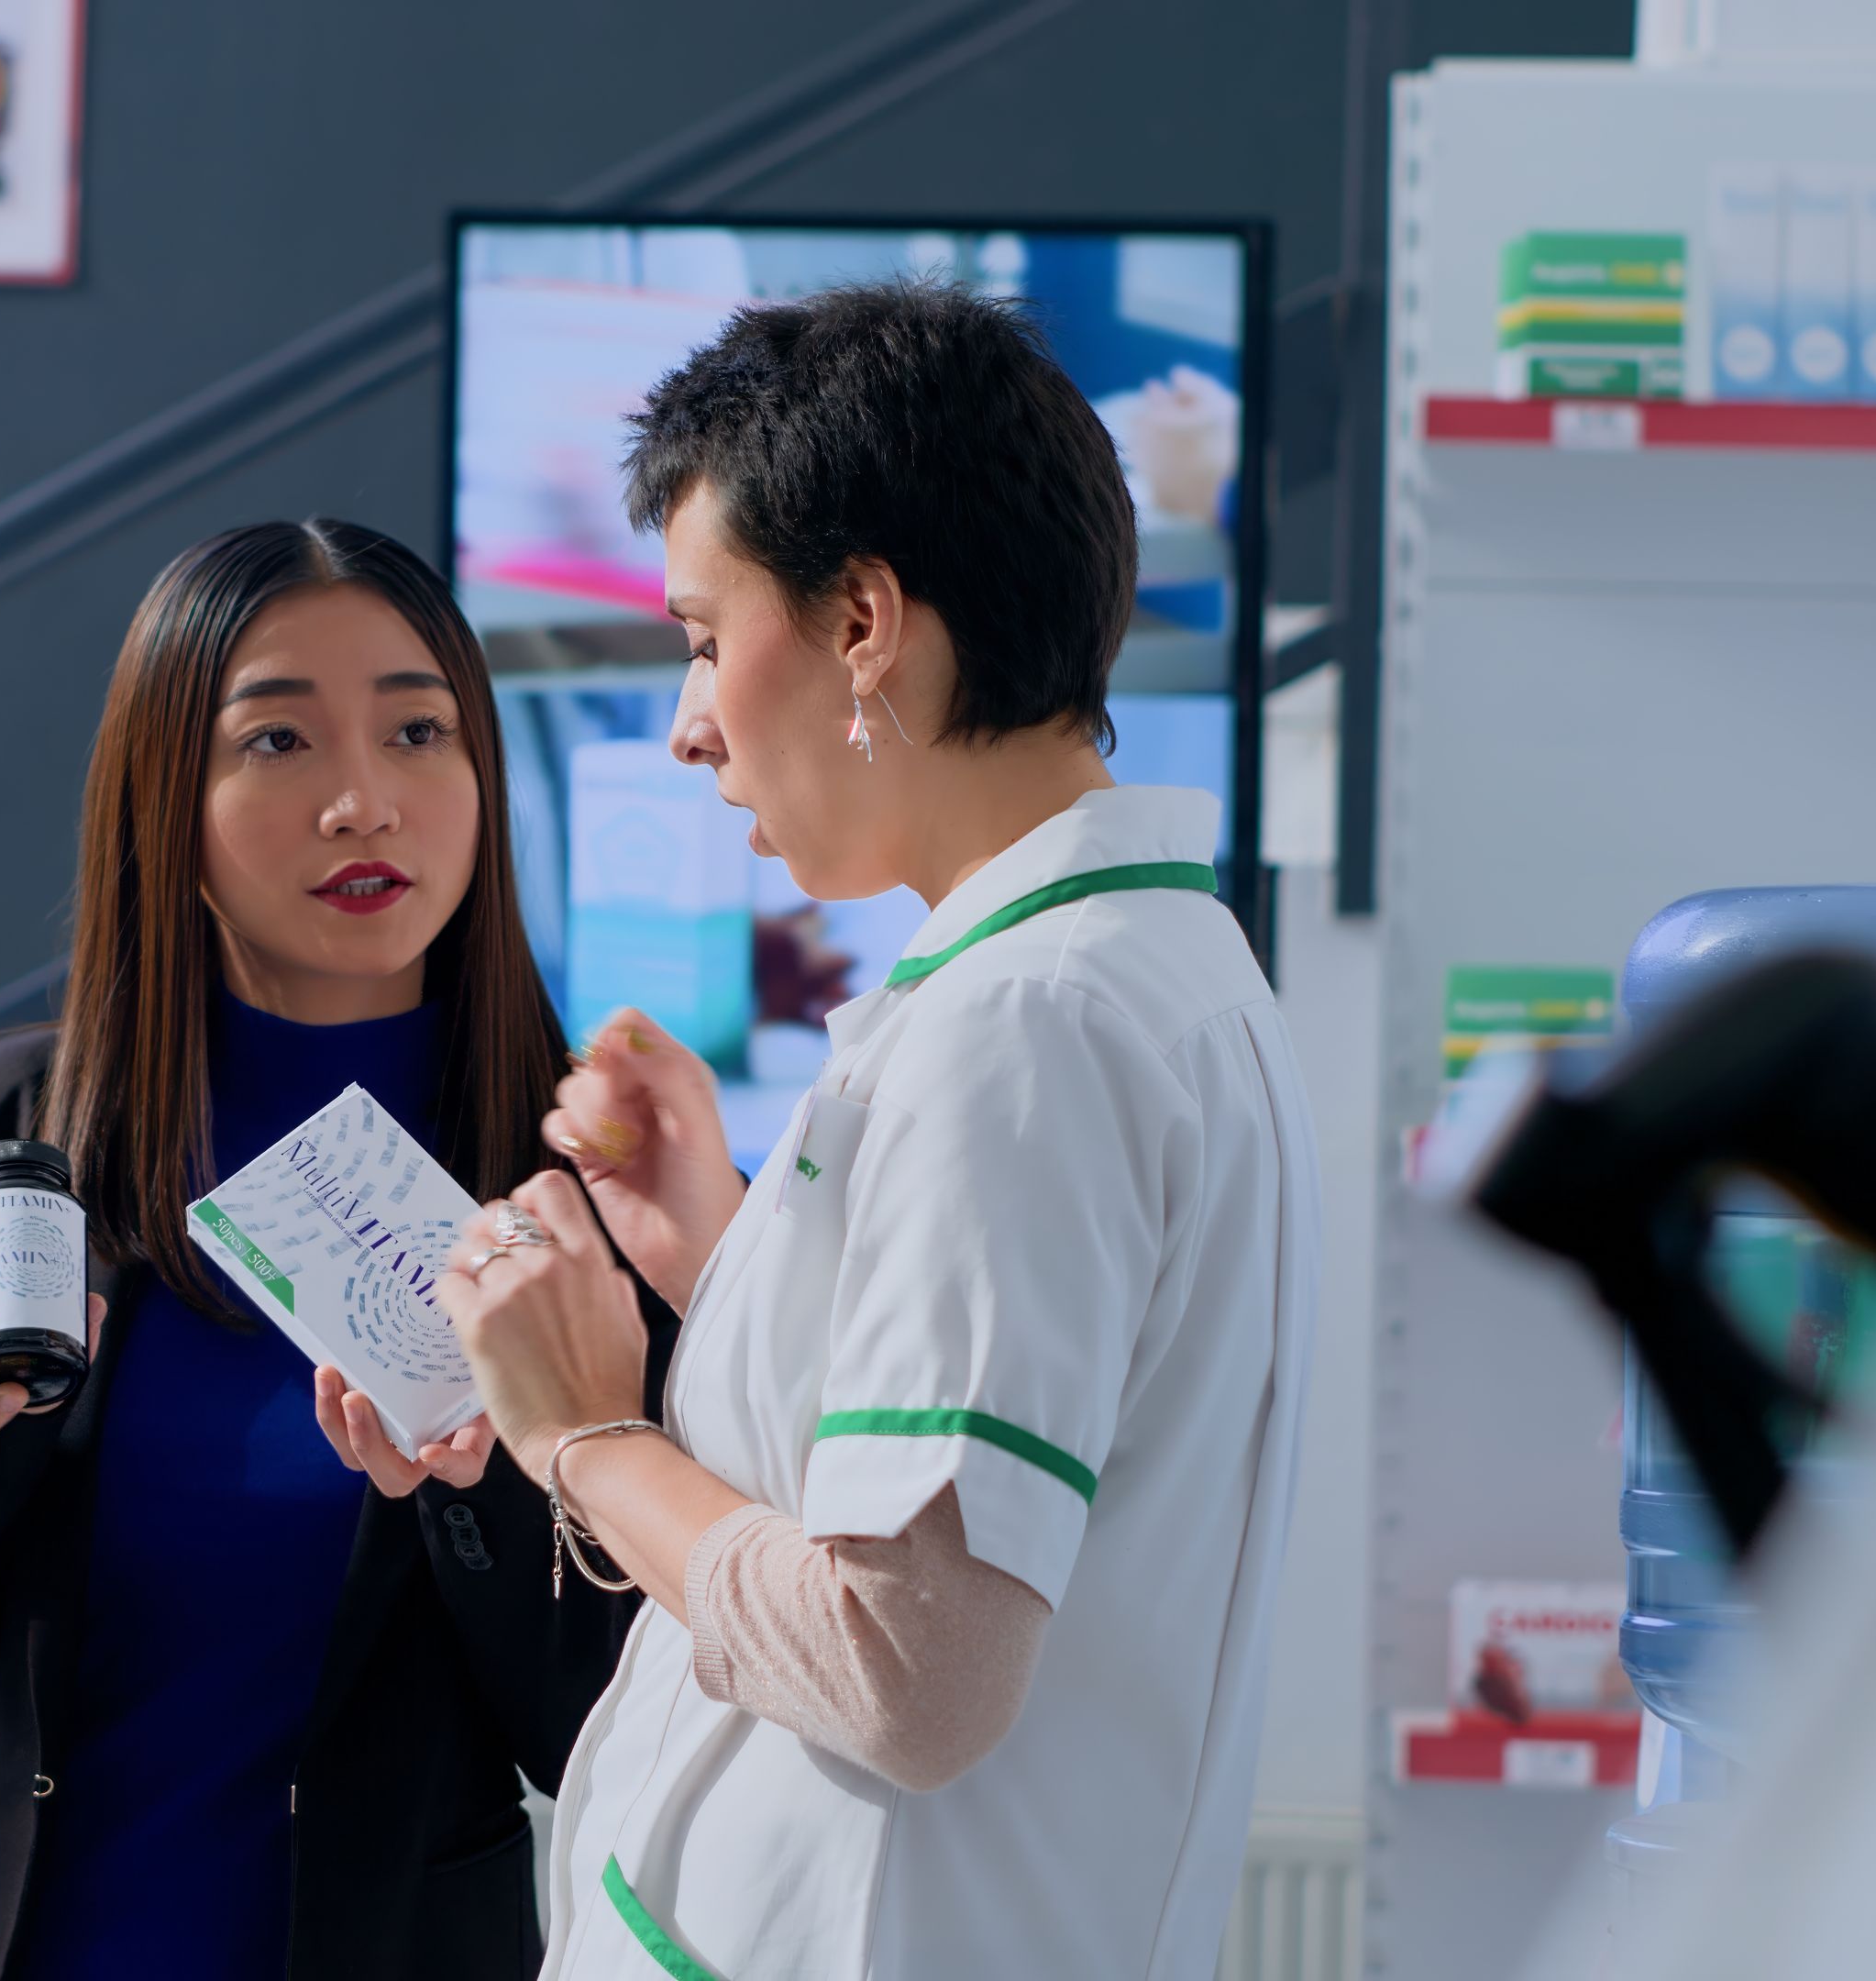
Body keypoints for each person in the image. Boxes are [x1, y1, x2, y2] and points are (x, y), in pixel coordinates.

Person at [436, 281, 1319, 1979]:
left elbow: (904, 1672)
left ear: (861, 622)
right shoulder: (1126, 971)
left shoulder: (1028, 1027)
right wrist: (734, 1233)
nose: (689, 722)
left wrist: (581, 1439)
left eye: (704, 636)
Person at [0, 519, 676, 1981]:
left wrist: (478, 1484)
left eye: (419, 731)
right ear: (164, 798)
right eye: (276, 743)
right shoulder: (16, 1120)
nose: (362, 802)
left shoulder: (587, 1170)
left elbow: (596, 1716)